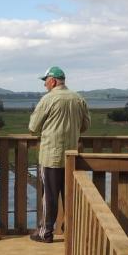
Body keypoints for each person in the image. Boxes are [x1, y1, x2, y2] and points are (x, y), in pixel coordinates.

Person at [28, 65, 90, 243]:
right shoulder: (78, 99)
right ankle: (71, 231)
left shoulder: (48, 99)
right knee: (71, 195)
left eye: (45, 81)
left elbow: (33, 127)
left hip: (51, 156)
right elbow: (85, 126)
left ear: (53, 81)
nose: (44, 85)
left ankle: (46, 232)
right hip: (72, 156)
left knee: (49, 196)